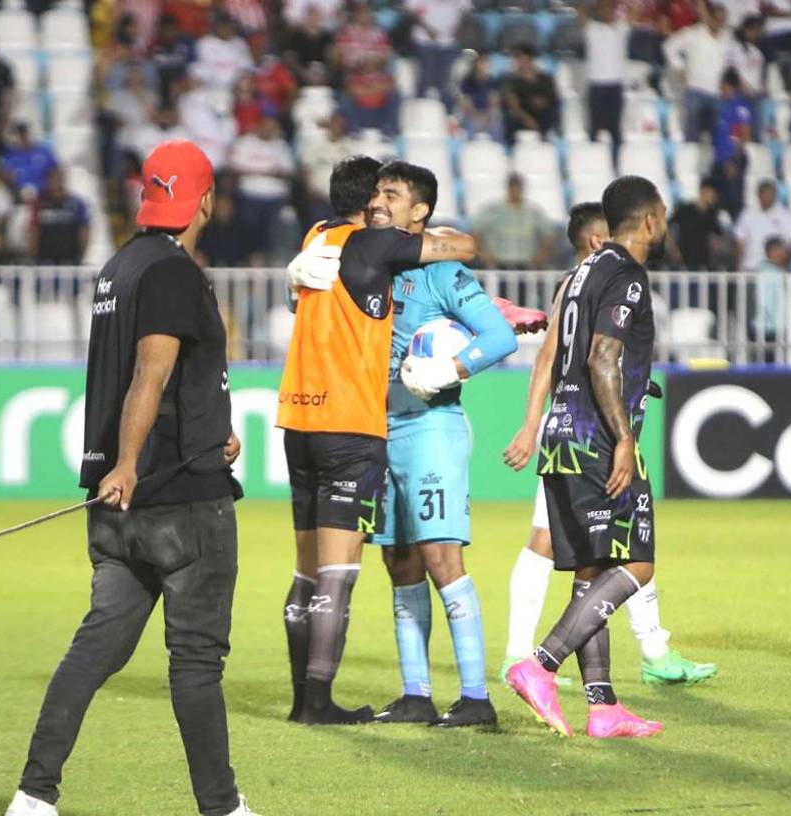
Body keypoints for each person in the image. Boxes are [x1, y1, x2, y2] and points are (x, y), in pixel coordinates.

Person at [5, 140, 259, 816]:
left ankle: (33, 797)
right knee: (198, 662)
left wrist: (208, 434)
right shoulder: (175, 272)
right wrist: (131, 461)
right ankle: (222, 808)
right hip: (178, 500)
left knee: (94, 650)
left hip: (121, 510)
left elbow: (149, 381)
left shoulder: (120, 266)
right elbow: (152, 372)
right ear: (205, 200)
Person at [276, 156, 479, 725]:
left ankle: (301, 699)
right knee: (337, 573)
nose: (386, 203)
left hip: (298, 418)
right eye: (382, 195)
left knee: (305, 568)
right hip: (350, 423)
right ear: (370, 204)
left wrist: (290, 273)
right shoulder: (376, 244)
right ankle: (316, 702)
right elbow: (465, 247)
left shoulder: (315, 238)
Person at [502, 201, 719, 688]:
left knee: (599, 560)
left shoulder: (583, 282)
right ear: (599, 241)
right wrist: (533, 423)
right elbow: (559, 361)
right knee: (617, 555)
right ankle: (530, 659)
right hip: (590, 435)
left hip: (573, 433)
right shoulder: (601, 279)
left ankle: (619, 681)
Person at [504, 175, 671, 740]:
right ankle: (540, 664)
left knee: (591, 571)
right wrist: (624, 438)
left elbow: (555, 355)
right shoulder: (626, 274)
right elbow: (603, 359)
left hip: (562, 432)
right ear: (648, 220)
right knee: (638, 563)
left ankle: (603, 707)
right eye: (663, 213)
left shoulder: (579, 273)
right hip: (599, 438)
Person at [364, 161, 518, 727]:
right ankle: (415, 694)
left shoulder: (439, 270)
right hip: (378, 429)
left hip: (430, 426)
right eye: (377, 192)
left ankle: (476, 698)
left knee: (439, 558)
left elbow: (499, 337)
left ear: (419, 210)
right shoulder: (363, 257)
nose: (379, 201)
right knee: (399, 561)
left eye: (392, 194)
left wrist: (451, 368)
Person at [229, 113, 295, 263]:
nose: (268, 130)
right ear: (258, 126)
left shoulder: (281, 146)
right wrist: (268, 171)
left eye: (272, 127)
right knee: (249, 233)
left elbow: (288, 171)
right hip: (249, 195)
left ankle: (269, 264)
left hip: (275, 198)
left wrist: (255, 170)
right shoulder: (245, 143)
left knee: (275, 236)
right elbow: (236, 167)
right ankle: (251, 261)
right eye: (265, 126)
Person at [664, 2, 731, 144]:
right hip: (695, 89)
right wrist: (680, 68)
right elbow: (669, 46)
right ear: (710, 17)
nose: (719, 23)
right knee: (692, 132)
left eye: (722, 20)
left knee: (717, 135)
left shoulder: (727, 39)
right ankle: (688, 161)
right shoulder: (693, 34)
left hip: (716, 93)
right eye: (717, 19)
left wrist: (726, 82)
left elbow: (729, 62)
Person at [473, 174, 558, 270]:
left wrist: (542, 255)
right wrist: (484, 253)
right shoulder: (493, 211)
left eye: (518, 188)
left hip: (526, 264)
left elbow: (549, 236)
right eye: (512, 187)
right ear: (508, 188)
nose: (515, 191)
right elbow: (476, 232)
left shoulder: (533, 213)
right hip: (498, 264)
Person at [584, 0, 630, 157]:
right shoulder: (593, 28)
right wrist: (597, 5)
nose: (607, 12)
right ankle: (594, 162)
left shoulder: (621, 28)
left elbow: (634, 11)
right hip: (596, 84)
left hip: (615, 85)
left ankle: (617, 163)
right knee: (594, 128)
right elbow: (580, 13)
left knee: (615, 129)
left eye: (610, 9)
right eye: (604, 9)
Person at [408, 0, 470, 106]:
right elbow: (412, 11)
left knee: (445, 82)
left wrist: (459, 27)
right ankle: (420, 111)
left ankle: (446, 115)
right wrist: (427, 28)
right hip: (425, 41)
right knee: (425, 79)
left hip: (449, 42)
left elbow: (465, 10)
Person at [735, 179, 791, 272]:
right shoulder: (748, 213)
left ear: (775, 195)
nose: (767, 197)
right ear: (758, 194)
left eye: (771, 194)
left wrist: (784, 262)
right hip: (750, 267)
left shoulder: (784, 215)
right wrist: (739, 265)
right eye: (764, 193)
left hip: (775, 270)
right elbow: (740, 240)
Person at [31, 167, 90, 266]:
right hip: (45, 260)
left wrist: (80, 255)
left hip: (71, 260)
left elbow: (84, 230)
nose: (57, 182)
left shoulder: (76, 204)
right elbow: (34, 230)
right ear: (48, 181)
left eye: (60, 179)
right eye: (54, 179)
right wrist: (35, 257)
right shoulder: (40, 203)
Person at [501, 46, 560, 145]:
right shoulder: (511, 82)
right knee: (510, 118)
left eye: (525, 59)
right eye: (519, 59)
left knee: (550, 113)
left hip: (542, 114)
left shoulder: (545, 79)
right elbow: (513, 105)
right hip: (522, 115)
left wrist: (543, 102)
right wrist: (527, 119)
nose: (522, 63)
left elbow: (553, 99)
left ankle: (548, 141)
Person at [669, 179, 730, 269]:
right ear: (703, 191)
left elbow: (719, 237)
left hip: (703, 266)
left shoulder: (712, 215)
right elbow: (666, 229)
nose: (714, 196)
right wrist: (674, 251)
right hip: (682, 264)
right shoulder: (685, 209)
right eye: (712, 193)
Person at [192, 12, 256, 92]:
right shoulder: (204, 44)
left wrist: (238, 86)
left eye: (228, 24)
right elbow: (198, 71)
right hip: (212, 90)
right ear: (215, 27)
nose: (227, 28)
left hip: (237, 91)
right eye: (223, 25)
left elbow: (247, 69)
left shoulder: (240, 43)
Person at [0, 122, 59, 196]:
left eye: (23, 133)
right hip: (19, 196)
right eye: (18, 135)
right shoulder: (9, 156)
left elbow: (56, 171)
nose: (21, 137)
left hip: (44, 194)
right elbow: (5, 176)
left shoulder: (43, 151)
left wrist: (51, 188)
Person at [457, 52, 502, 140]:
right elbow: (466, 104)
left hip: (488, 115)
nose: (484, 65)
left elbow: (494, 102)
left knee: (496, 125)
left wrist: (488, 116)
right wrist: (478, 117)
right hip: (472, 115)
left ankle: (496, 149)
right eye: (481, 62)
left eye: (486, 62)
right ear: (476, 64)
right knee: (472, 125)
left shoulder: (492, 81)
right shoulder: (467, 81)